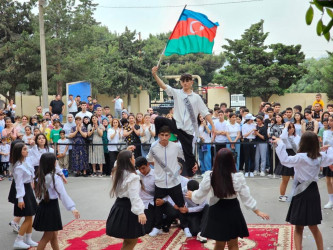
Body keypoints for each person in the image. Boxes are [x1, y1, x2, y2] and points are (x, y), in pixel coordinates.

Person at [186, 148, 269, 250]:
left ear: (216, 160)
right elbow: (246, 197)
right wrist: (257, 211)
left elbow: (200, 194)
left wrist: (192, 195)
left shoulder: (210, 176)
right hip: (233, 210)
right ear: (232, 161)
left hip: (217, 211)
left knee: (219, 244)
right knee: (233, 244)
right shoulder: (237, 177)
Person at [274, 132, 333, 250]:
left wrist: (280, 143)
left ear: (302, 143)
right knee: (314, 226)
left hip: (300, 191)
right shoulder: (320, 157)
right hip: (313, 191)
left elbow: (285, 160)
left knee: (298, 227)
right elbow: (328, 159)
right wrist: (322, 150)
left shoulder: (300, 157)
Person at [152, 66, 215, 177]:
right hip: (176, 124)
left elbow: (205, 112)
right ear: (181, 82)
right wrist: (155, 75)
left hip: (188, 131)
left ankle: (189, 177)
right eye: (183, 81)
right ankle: (161, 139)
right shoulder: (176, 93)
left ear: (191, 82)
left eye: (187, 81)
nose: (185, 83)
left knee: (188, 155)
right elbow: (163, 86)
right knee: (158, 119)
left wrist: (213, 126)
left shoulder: (196, 97)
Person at [147, 125, 192, 238]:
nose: (164, 137)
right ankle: (157, 227)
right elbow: (149, 160)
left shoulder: (176, 146)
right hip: (160, 182)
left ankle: (185, 226)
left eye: (167, 135)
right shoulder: (154, 147)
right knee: (158, 205)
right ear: (158, 135)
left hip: (174, 181)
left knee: (181, 204)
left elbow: (185, 157)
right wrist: (159, 170)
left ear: (170, 135)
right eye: (162, 135)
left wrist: (192, 164)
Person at [33, 153, 80, 250]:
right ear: (53, 163)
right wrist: (73, 208)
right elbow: (62, 194)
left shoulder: (40, 175)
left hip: (43, 206)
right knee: (47, 237)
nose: (57, 162)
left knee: (53, 236)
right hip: (51, 208)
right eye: (56, 161)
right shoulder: (54, 177)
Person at [106, 150, 147, 249]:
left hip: (119, 206)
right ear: (129, 160)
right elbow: (134, 196)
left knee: (128, 239)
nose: (134, 159)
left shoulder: (116, 172)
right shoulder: (132, 177)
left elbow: (117, 162)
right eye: (133, 157)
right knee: (131, 240)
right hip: (129, 209)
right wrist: (140, 212)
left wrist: (124, 152)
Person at [8, 143, 38, 249]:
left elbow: (36, 157)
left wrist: (34, 146)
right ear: (19, 152)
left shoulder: (26, 161)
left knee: (30, 216)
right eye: (25, 149)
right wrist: (20, 199)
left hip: (28, 190)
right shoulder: (18, 167)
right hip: (23, 192)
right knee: (28, 217)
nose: (27, 150)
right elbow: (19, 184)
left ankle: (28, 238)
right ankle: (19, 240)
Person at [135, 156, 156, 234]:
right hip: (137, 203)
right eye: (139, 169)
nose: (141, 171)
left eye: (143, 168)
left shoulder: (156, 174)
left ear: (148, 164)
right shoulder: (136, 174)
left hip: (150, 203)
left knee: (146, 230)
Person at [322, 117, 333, 209]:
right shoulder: (325, 132)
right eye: (329, 120)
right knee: (328, 180)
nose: (329, 122)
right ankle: (330, 200)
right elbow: (324, 146)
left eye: (332, 120)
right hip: (327, 158)